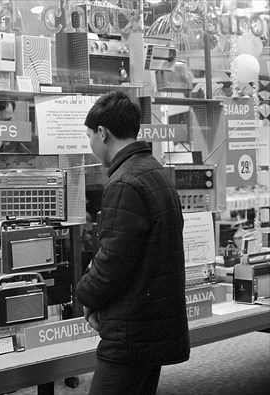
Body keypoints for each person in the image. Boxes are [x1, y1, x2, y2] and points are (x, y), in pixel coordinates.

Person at [76, 91, 190, 394]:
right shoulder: (155, 171)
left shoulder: (124, 181)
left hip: (130, 331)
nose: (90, 147)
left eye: (89, 137)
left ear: (103, 133)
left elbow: (113, 261)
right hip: (151, 325)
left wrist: (86, 294)